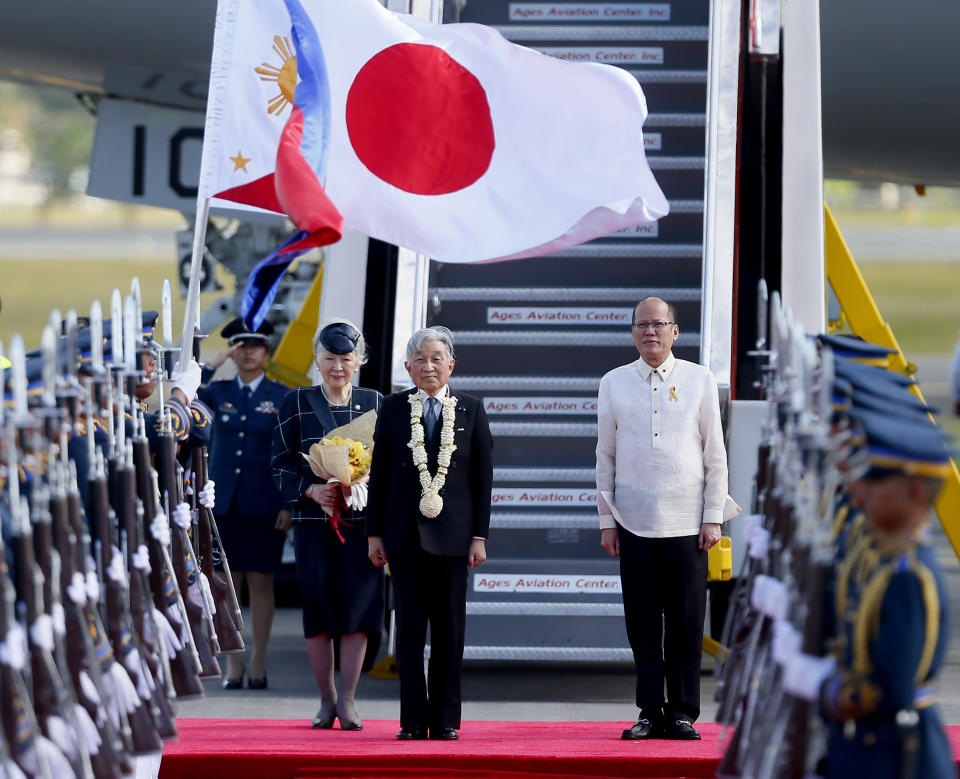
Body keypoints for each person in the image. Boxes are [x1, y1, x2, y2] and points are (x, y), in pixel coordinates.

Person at [595, 296, 728, 741]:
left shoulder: (699, 379)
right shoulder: (613, 382)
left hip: (689, 525)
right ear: (633, 333)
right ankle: (650, 710)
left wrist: (713, 516)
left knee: (688, 624)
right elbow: (605, 457)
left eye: (659, 324)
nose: (650, 332)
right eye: (642, 325)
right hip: (633, 523)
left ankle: (684, 712)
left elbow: (715, 454)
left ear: (675, 331)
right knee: (643, 625)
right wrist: (607, 521)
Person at [365, 326, 493, 741]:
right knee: (409, 633)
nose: (428, 366)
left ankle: (445, 720)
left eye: (437, 358)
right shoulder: (392, 407)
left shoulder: (471, 409)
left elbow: (482, 480)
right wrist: (374, 534)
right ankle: (412, 720)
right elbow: (380, 473)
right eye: (419, 359)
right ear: (407, 367)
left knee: (450, 632)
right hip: (404, 537)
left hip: (455, 539)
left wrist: (479, 536)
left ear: (451, 364)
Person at [271, 320, 383, 731]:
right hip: (312, 522)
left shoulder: (375, 402)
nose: (338, 367)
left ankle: (350, 699)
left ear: (360, 361)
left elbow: (388, 464)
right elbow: (278, 466)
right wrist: (310, 490)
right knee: (318, 607)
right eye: (330, 359)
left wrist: (366, 480)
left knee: (359, 608)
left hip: (361, 521)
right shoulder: (295, 402)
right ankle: (326, 700)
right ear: (316, 360)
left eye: (346, 359)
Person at [197, 318, 291, 690]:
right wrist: (214, 362)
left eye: (256, 345)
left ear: (267, 352)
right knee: (227, 584)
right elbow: (184, 397)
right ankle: (233, 662)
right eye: (241, 345)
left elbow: (290, 451)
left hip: (265, 501)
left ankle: (259, 661)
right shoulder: (217, 392)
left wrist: (287, 501)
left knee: (262, 581)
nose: (248, 352)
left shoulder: (282, 395)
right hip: (224, 504)